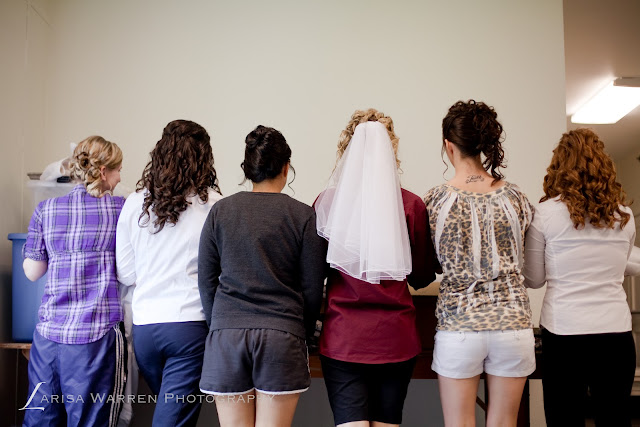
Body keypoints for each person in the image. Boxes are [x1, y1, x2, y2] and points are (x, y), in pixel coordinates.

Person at [314, 109, 439, 427]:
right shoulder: (411, 205)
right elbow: (421, 277)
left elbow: (314, 273)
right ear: (391, 148)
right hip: (395, 338)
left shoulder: (327, 203)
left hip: (344, 338)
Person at [198, 125, 327, 427]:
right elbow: (312, 287)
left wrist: (219, 325)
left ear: (248, 168)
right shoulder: (303, 215)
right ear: (286, 168)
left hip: (227, 337)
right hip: (282, 336)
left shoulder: (221, 211)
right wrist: (304, 331)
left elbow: (206, 280)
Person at [424, 100, 535, 427]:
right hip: (512, 324)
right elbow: (523, 256)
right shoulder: (516, 197)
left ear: (449, 145)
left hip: (460, 325)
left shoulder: (435, 201)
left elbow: (431, 263)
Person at [523, 128, 636, 426]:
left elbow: (534, 279)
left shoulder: (544, 214)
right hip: (616, 334)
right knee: (615, 420)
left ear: (559, 166)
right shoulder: (624, 216)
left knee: (564, 420)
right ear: (604, 164)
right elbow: (621, 266)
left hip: (565, 334)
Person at [115, 120, 222, 426]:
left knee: (171, 414)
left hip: (146, 330)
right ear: (204, 159)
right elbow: (222, 272)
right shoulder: (215, 206)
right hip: (189, 329)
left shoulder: (135, 203)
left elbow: (126, 273)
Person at [22, 135, 126, 427]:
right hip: (95, 338)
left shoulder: (46, 209)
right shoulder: (121, 210)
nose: (120, 178)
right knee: (90, 420)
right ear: (103, 171)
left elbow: (32, 272)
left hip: (49, 339)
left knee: (41, 420)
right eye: (118, 170)